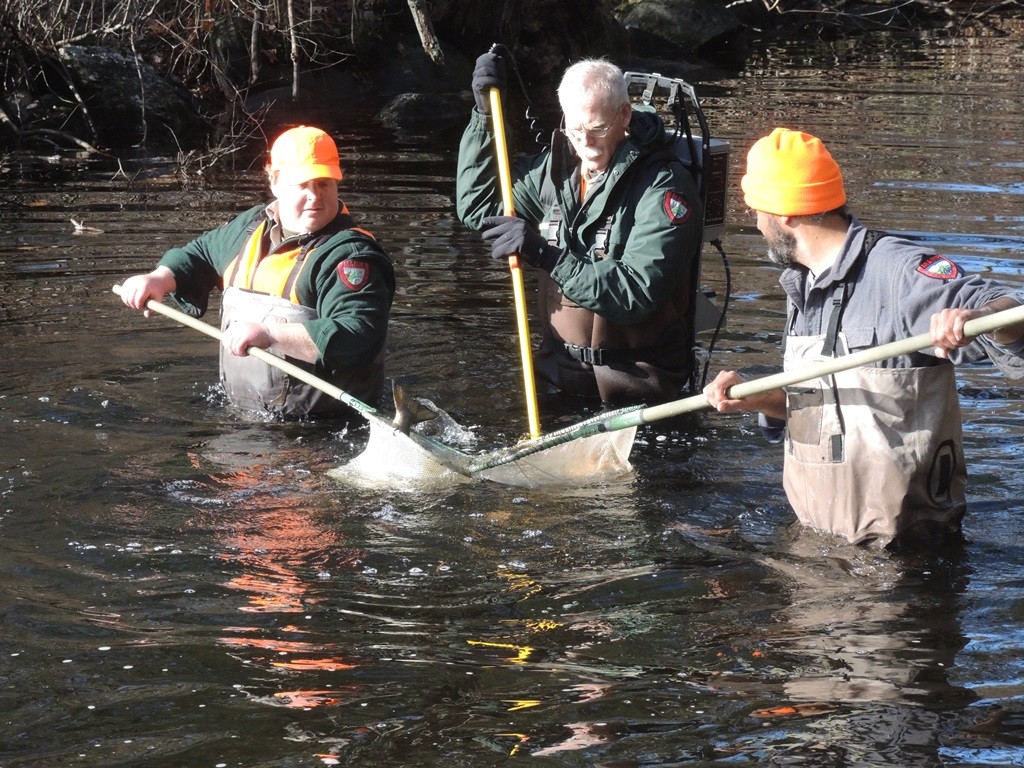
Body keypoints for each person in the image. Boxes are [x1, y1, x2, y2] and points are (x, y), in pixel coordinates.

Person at [703, 127, 1024, 549]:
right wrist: (760, 400)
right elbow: (827, 413)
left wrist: (978, 316)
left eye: (756, 210)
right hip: (817, 544)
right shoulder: (800, 287)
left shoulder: (900, 273)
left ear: (783, 214)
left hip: (902, 562)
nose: (756, 223)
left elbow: (1011, 314)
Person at [456, 54, 704, 404]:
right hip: (559, 375)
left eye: (598, 128)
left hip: (637, 386)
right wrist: (484, 117)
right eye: (574, 129)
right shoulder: (555, 172)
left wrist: (545, 255)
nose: (585, 142)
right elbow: (479, 208)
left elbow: (637, 292)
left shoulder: (663, 189)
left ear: (624, 116)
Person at [119, 125, 395, 420]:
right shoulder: (251, 226)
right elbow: (199, 255)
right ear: (275, 182)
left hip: (323, 428)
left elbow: (359, 334)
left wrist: (269, 334)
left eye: (324, 183)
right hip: (243, 416)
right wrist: (160, 278)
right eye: (301, 185)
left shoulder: (350, 255)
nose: (315, 196)